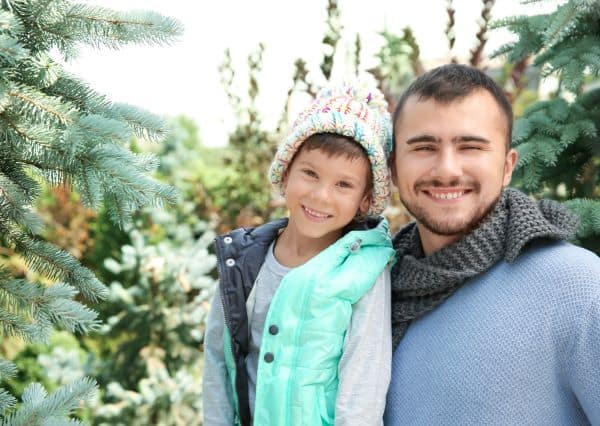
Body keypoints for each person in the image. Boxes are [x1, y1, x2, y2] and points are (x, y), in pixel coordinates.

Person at [384, 64, 600, 424]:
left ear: (507, 166)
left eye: (470, 146)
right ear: (393, 168)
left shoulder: (581, 288)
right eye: (424, 147)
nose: (447, 170)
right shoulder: (376, 292)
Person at [203, 81, 396, 426]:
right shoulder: (243, 261)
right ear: (287, 171)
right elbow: (218, 360)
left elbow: (363, 389)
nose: (321, 196)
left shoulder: (364, 271)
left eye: (343, 185)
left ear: (364, 201)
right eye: (310, 173)